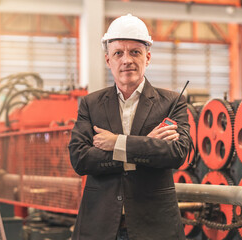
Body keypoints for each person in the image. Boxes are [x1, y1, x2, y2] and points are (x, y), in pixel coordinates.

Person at [68, 14, 190, 240]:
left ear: (148, 57)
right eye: (118, 53)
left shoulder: (172, 102)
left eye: (135, 52)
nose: (127, 60)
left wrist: (117, 142)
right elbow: (80, 159)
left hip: (154, 225)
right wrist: (146, 145)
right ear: (108, 60)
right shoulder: (91, 104)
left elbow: (176, 153)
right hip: (100, 226)